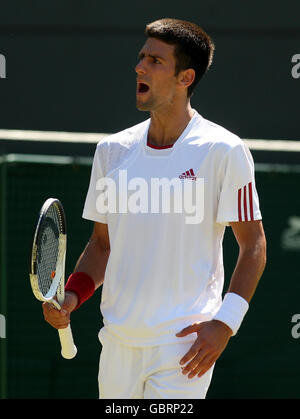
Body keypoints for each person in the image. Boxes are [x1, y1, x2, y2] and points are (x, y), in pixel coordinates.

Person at [43, 18, 267, 399]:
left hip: (183, 348)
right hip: (116, 343)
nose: (139, 67)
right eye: (141, 57)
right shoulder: (111, 151)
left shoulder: (225, 151)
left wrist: (225, 324)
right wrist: (72, 295)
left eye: (155, 61)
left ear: (186, 78)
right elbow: (102, 246)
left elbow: (254, 245)